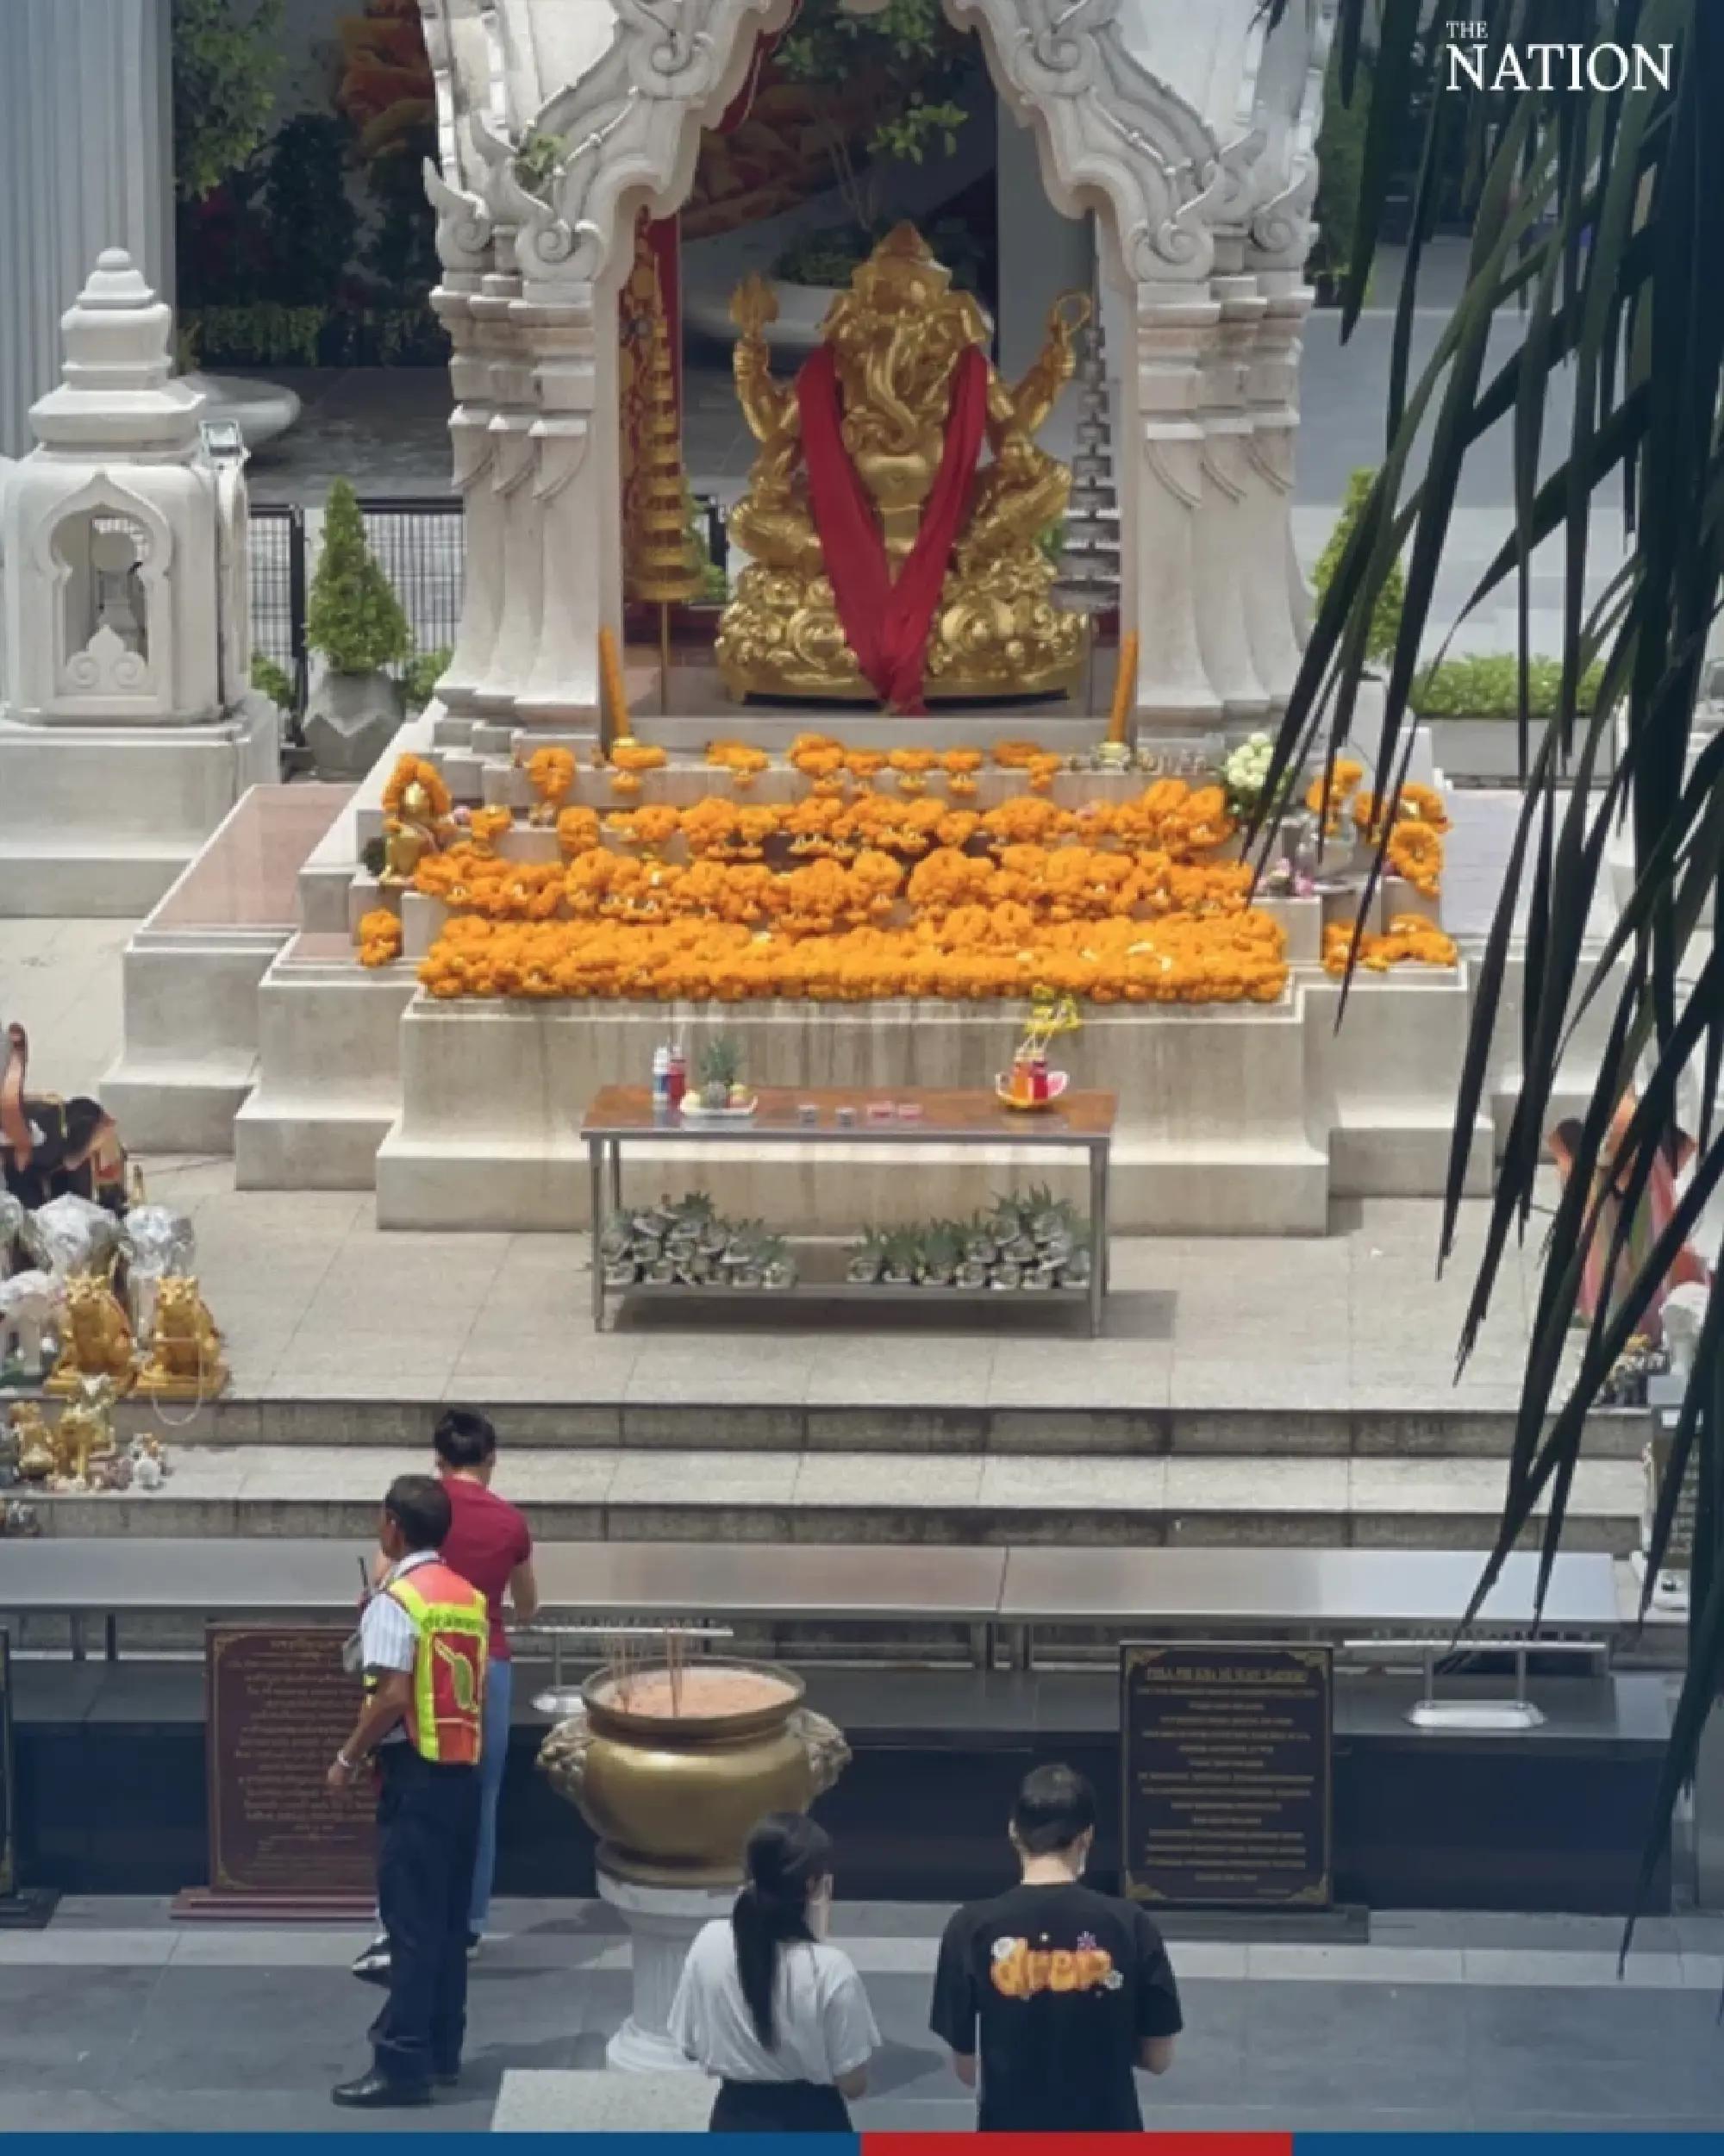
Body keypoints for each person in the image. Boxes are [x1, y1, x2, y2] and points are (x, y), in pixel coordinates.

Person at [353, 1409, 537, 1981]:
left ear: (438, 1459)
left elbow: (384, 1577)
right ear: (492, 1458)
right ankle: (469, 1920)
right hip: (489, 1663)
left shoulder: (421, 1511)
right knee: (479, 1799)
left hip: (417, 1665)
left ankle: (398, 1920)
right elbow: (528, 1604)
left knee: (408, 1792)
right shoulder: (510, 1522)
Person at [328, 1474, 489, 2109]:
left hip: (417, 1776)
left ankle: (401, 2062)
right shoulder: (466, 1596)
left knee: (411, 1925)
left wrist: (347, 1756)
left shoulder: (398, 1600)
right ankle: (443, 2048)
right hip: (463, 1771)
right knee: (449, 1923)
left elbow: (391, 1694)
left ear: (394, 1524)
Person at [930, 1763, 1182, 2133]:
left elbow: (967, 2070)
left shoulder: (971, 1927)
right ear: (1087, 1837)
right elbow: (1158, 2058)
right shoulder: (1130, 1924)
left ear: (1014, 1831)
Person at [669, 1812, 879, 2133]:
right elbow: (853, 2083)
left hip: (734, 2121)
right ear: (812, 1886)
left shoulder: (708, 1943)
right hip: (812, 2124)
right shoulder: (831, 1969)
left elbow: (689, 2045)